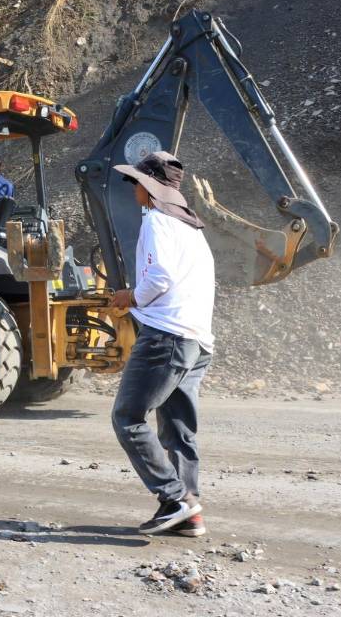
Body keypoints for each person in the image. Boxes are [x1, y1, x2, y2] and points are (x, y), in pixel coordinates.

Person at [108, 151, 215, 536]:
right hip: (197, 340)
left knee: (127, 417)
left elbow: (159, 279)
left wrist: (129, 296)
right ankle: (190, 515)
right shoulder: (191, 228)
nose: (133, 188)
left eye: (136, 181)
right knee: (177, 428)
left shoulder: (156, 221)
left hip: (166, 337)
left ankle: (175, 500)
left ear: (149, 186)